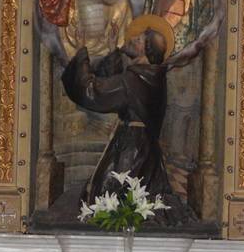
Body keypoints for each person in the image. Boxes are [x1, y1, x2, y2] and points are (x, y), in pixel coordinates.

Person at [61, 16, 183, 220]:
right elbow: (113, 84)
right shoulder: (151, 76)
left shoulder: (134, 81)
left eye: (138, 40)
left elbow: (92, 91)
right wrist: (113, 50)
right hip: (143, 149)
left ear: (146, 51)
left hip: (130, 152)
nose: (132, 38)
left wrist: (81, 52)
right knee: (131, 202)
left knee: (113, 200)